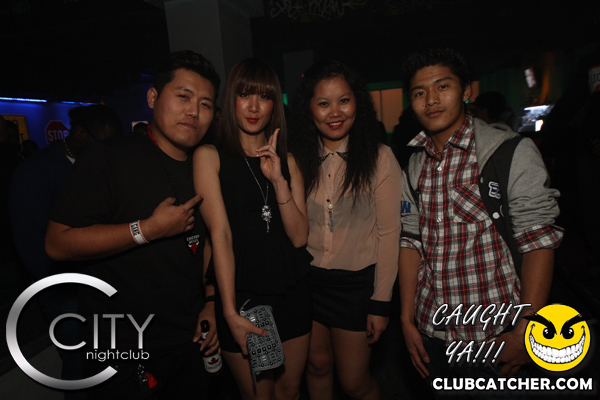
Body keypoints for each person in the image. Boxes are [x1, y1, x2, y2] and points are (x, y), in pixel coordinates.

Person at [45, 50, 221, 399]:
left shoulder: (204, 165)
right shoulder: (109, 158)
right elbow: (57, 243)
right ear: (153, 98)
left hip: (188, 342)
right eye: (183, 97)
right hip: (125, 350)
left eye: (205, 104)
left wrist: (212, 301)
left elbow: (210, 240)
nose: (193, 111)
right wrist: (146, 230)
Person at [398, 47, 564, 397]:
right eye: (419, 92)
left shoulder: (508, 152)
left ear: (466, 91)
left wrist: (526, 331)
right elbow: (411, 241)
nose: (431, 100)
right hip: (433, 335)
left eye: (443, 86)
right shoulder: (414, 165)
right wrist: (407, 319)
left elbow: (538, 240)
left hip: (495, 338)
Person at [193, 58, 312, 400]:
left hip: (291, 289)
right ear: (231, 99)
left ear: (275, 104)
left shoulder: (288, 161)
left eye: (264, 96)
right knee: (260, 395)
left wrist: (278, 181)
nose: (254, 106)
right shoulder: (210, 156)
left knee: (289, 390)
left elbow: (299, 237)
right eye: (245, 95)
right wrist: (227, 311)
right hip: (243, 294)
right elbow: (220, 236)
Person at [290, 60, 402, 400]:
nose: (335, 112)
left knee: (354, 382)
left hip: (356, 288)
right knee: (317, 367)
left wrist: (381, 303)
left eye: (344, 100)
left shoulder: (380, 158)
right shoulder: (296, 159)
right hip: (308, 282)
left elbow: (389, 234)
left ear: (358, 103)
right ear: (309, 109)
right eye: (323, 103)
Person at [9, 104, 123, 400]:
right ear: (80, 133)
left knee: (107, 360)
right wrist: (61, 287)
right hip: (65, 292)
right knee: (78, 365)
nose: (109, 151)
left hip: (102, 286)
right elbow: (31, 243)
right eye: (103, 143)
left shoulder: (97, 166)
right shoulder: (35, 172)